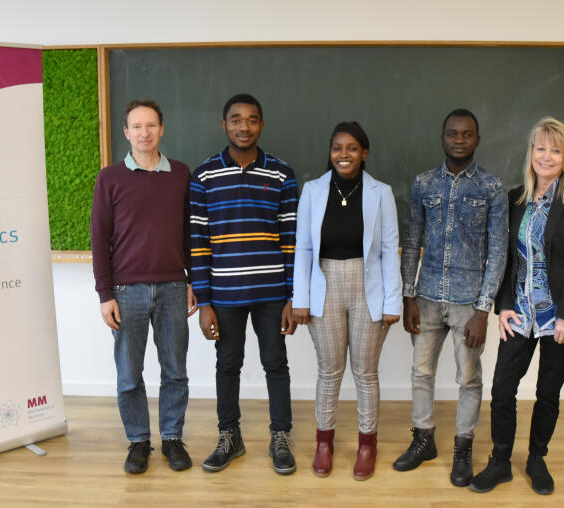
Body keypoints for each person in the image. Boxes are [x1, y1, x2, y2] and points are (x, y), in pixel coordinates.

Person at [470, 117, 564, 496]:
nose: (546, 156)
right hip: (521, 312)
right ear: (531, 153)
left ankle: (536, 459)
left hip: (561, 314)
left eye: (555, 150)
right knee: (502, 388)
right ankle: (500, 462)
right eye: (540, 148)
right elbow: (508, 258)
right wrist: (504, 305)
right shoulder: (516, 199)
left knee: (548, 391)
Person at [396, 109, 508, 487]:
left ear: (477, 139)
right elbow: (412, 241)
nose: (459, 140)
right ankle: (423, 438)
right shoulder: (424, 184)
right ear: (442, 137)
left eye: (467, 134)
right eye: (452, 134)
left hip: (467, 301)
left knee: (469, 378)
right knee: (421, 372)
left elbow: (499, 250)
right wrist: (408, 295)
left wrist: (483, 309)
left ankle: (463, 447)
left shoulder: (492, 188)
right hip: (426, 296)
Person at [190, 94, 299, 474]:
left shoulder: (282, 173)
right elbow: (198, 243)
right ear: (224, 125)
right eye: (236, 119)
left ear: (261, 126)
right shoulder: (204, 175)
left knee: (276, 364)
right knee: (227, 365)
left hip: (272, 293)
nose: (243, 126)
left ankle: (280, 436)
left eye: (252, 120)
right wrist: (204, 302)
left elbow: (290, 239)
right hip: (225, 295)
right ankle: (229, 436)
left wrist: (291, 297)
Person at [90, 99, 197, 475]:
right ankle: (138, 442)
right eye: (137, 126)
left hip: (172, 287)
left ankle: (172, 438)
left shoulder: (181, 175)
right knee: (129, 375)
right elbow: (99, 239)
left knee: (175, 371)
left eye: (151, 125)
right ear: (126, 132)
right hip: (126, 292)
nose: (144, 133)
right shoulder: (110, 179)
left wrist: (191, 281)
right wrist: (105, 294)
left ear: (162, 129)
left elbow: (190, 234)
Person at [292, 121, 402, 480]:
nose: (344, 154)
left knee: (366, 373)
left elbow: (389, 250)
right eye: (337, 147)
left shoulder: (380, 192)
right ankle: (324, 442)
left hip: (367, 286)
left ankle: (367, 444)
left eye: (352, 148)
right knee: (329, 371)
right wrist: (300, 299)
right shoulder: (312, 190)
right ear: (330, 152)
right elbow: (304, 249)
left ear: (364, 153)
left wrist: (392, 302)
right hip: (324, 284)